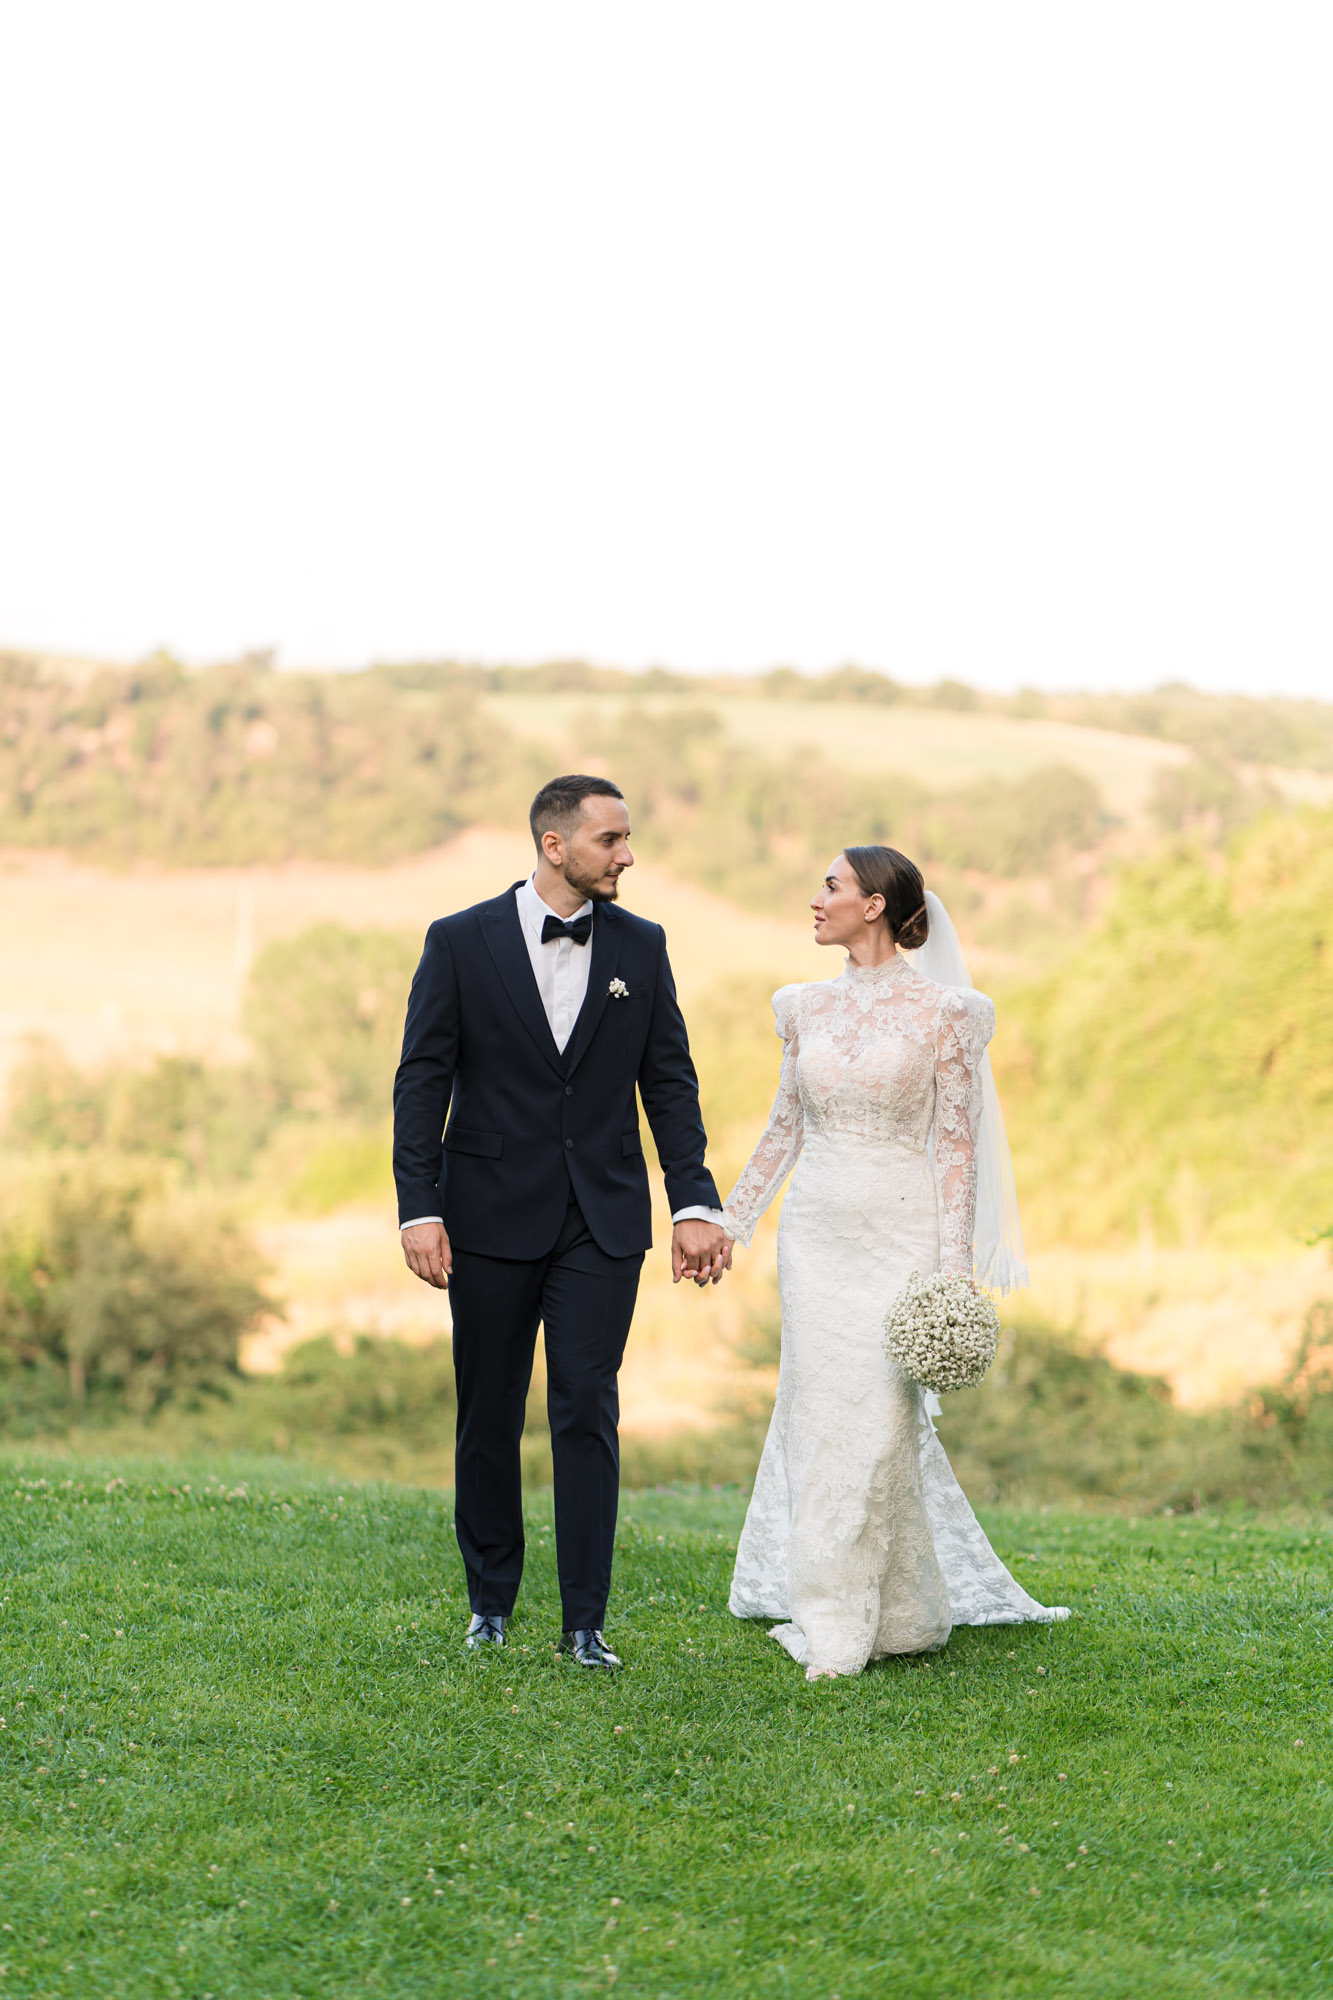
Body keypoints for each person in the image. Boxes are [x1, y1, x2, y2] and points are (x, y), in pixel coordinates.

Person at [393, 775, 731, 1669]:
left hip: (602, 1219)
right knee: (489, 1410)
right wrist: (417, 1207)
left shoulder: (642, 946)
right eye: (611, 840)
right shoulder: (458, 941)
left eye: (625, 839)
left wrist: (693, 1200)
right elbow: (421, 1080)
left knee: (586, 1405)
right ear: (555, 846)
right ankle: (489, 1604)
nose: (627, 855)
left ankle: (585, 1621)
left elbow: (670, 1082)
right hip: (486, 1216)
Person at [722, 844, 1067, 1680]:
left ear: (873, 904)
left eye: (830, 886)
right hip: (815, 1237)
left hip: (901, 1235)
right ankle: (851, 1613)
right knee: (820, 1418)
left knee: (878, 1422)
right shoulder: (801, 1007)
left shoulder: (950, 1013)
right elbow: (783, 1126)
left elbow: (955, 1149)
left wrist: (953, 1273)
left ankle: (893, 1613)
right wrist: (728, 1221)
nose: (814, 899)